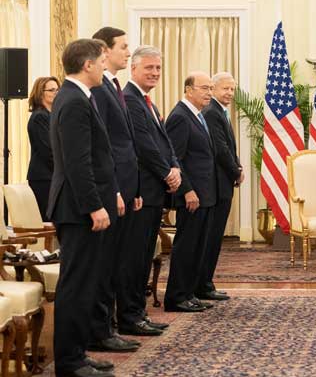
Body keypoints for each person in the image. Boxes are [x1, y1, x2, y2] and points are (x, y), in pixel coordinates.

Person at [48, 38, 117, 377]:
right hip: (78, 209)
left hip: (79, 207)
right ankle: (70, 362)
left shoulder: (77, 96)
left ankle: (78, 353)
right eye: (102, 61)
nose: (105, 66)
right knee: (76, 284)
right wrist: (94, 206)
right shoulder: (74, 100)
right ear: (87, 64)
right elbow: (78, 163)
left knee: (84, 282)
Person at [87, 26, 147, 351]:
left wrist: (133, 188)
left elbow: (126, 143)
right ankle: (100, 331)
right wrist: (114, 191)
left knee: (116, 263)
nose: (128, 52)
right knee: (104, 265)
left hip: (124, 187)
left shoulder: (113, 85)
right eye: (123, 47)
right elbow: (105, 144)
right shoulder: (97, 89)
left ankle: (109, 326)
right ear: (104, 50)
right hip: (111, 189)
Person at [123, 46, 179, 330]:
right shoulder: (129, 99)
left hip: (156, 190)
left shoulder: (149, 102)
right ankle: (130, 316)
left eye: (158, 68)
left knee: (145, 255)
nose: (155, 73)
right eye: (149, 68)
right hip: (142, 191)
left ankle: (138, 313)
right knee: (134, 257)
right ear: (133, 69)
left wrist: (175, 166)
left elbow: (164, 141)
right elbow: (143, 145)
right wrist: (166, 172)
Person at [164, 72, 218, 312]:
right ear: (188, 90)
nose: (209, 92)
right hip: (192, 195)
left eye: (210, 88)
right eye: (204, 88)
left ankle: (188, 293)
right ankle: (176, 296)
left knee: (197, 246)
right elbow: (176, 159)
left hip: (205, 194)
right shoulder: (180, 117)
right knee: (186, 246)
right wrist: (187, 190)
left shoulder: (196, 115)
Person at [200, 72, 243, 300]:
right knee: (211, 238)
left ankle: (206, 283)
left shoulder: (220, 112)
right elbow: (219, 148)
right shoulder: (211, 113)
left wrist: (237, 167)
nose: (229, 93)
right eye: (225, 88)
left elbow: (227, 147)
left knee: (215, 239)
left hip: (223, 183)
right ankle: (204, 285)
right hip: (215, 184)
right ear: (213, 89)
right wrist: (236, 170)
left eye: (232, 89)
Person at [26, 76, 60, 220]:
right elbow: (49, 152)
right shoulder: (39, 117)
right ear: (41, 93)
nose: (56, 93)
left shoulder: (53, 115)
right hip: (44, 179)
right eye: (51, 90)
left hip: (52, 176)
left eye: (58, 89)